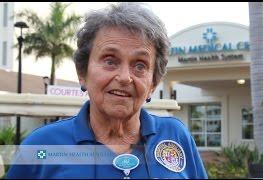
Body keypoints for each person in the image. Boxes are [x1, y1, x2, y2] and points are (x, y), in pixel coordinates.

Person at [6, 2, 208, 179]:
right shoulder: (43, 146)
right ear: (82, 72)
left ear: (153, 84)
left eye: (140, 65)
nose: (124, 77)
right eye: (110, 61)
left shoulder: (175, 136)